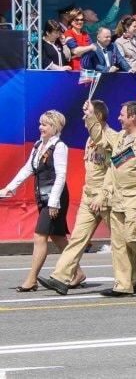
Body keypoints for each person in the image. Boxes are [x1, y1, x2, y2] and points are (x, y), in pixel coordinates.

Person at [38, 101, 136, 294]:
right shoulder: (89, 139)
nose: (85, 120)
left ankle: (133, 279)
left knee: (121, 241)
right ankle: (60, 277)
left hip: (106, 197)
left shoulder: (113, 138)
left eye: (89, 117)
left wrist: (102, 195)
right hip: (89, 196)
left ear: (97, 117)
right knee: (77, 238)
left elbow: (113, 169)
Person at [0, 110, 70, 292]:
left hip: (55, 198)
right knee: (58, 236)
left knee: (40, 236)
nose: (41, 127)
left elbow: (61, 176)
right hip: (43, 197)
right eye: (40, 123)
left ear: (54, 127)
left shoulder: (60, 146)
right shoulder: (39, 145)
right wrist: (8, 188)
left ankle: (31, 280)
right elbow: (27, 169)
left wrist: (54, 202)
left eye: (45, 124)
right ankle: (77, 273)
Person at [98, 100, 136, 297]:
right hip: (119, 196)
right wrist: (105, 192)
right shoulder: (122, 136)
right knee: (119, 242)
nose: (119, 117)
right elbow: (113, 167)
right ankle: (124, 284)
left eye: (122, 114)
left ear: (133, 117)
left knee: (134, 236)